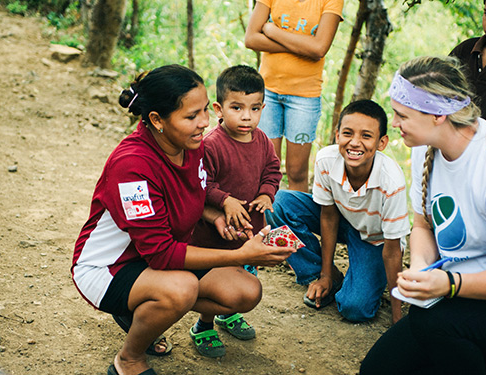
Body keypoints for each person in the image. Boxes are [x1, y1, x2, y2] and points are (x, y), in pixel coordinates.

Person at [71, 65, 294, 375]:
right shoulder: (132, 166)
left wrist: (217, 217)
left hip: (156, 258)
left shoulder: (191, 147)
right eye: (191, 116)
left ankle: (143, 309)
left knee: (245, 292)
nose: (204, 122)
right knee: (181, 288)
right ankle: (130, 359)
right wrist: (242, 254)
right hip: (110, 268)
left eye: (204, 110)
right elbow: (161, 253)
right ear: (157, 120)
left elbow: (197, 193)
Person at [359, 56, 486, 375]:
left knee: (432, 325)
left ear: (438, 115)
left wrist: (448, 284)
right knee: (377, 369)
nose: (394, 124)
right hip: (460, 291)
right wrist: (420, 271)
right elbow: (422, 225)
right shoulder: (424, 144)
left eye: (402, 115)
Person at [265, 100, 410, 323]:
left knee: (355, 308)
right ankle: (321, 275)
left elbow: (392, 251)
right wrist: (324, 275)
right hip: (343, 219)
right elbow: (329, 216)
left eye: (366, 136)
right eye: (348, 133)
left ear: (382, 143)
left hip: (375, 240)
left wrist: (398, 318)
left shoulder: (392, 181)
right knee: (276, 203)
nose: (355, 143)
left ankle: (359, 279)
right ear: (337, 135)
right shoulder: (326, 160)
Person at [189, 65, 282, 355]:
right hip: (215, 233)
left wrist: (267, 193)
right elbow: (201, 185)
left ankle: (228, 313)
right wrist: (225, 199)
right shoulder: (212, 145)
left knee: (246, 271)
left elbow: (273, 171)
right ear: (219, 108)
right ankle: (204, 325)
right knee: (220, 276)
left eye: (255, 109)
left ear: (263, 108)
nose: (246, 116)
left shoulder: (263, 141)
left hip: (248, 229)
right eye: (237, 107)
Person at [244, 0, 343, 192]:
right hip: (268, 94)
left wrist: (273, 32)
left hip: (304, 98)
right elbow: (251, 39)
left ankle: (297, 221)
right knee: (264, 169)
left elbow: (318, 49)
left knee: (297, 172)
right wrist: (302, 46)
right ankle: (265, 220)